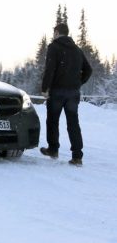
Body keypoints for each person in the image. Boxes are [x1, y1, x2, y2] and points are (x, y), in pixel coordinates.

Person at [40, 23, 92, 166]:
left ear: (57, 32)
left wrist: (45, 88)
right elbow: (89, 70)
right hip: (73, 93)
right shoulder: (77, 50)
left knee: (52, 121)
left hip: (57, 91)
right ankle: (77, 156)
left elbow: (50, 69)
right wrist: (78, 83)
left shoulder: (54, 47)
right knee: (73, 123)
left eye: (54, 32)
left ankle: (53, 149)